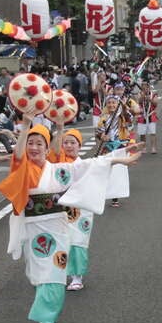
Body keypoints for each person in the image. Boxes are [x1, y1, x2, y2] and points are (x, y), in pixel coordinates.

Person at [0, 118, 143, 323]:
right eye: (30, 143)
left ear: (48, 149)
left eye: (39, 144)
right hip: (33, 229)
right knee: (40, 273)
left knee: (55, 272)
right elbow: (17, 156)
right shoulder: (22, 168)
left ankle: (47, 319)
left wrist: (119, 158)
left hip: (58, 226)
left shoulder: (60, 171)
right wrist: (26, 125)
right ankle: (44, 309)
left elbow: (90, 165)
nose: (34, 147)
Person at [48, 125, 94, 291]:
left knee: (77, 241)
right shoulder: (57, 163)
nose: (68, 145)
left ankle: (77, 276)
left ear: (79, 145)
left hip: (79, 210)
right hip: (59, 208)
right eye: (65, 142)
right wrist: (59, 128)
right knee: (59, 241)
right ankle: (57, 274)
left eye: (72, 142)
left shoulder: (85, 164)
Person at [136, 82, 159, 154]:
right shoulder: (140, 94)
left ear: (148, 87)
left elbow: (156, 103)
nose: (144, 88)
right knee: (142, 133)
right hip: (142, 115)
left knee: (153, 132)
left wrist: (150, 100)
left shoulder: (153, 94)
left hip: (151, 115)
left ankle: (153, 148)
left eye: (146, 87)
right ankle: (143, 147)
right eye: (143, 87)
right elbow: (138, 101)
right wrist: (142, 97)